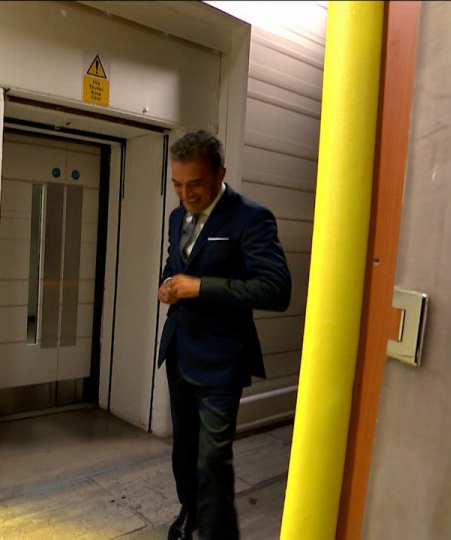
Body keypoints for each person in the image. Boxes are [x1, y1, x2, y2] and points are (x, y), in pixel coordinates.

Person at [157, 130, 291, 540]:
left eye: (194, 184)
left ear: (220, 174)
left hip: (221, 360)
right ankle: (189, 510)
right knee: (184, 450)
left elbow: (276, 289)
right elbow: (174, 263)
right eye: (177, 185)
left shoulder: (250, 217)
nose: (185, 195)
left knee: (214, 459)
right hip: (180, 350)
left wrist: (200, 286)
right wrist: (167, 284)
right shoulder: (178, 216)